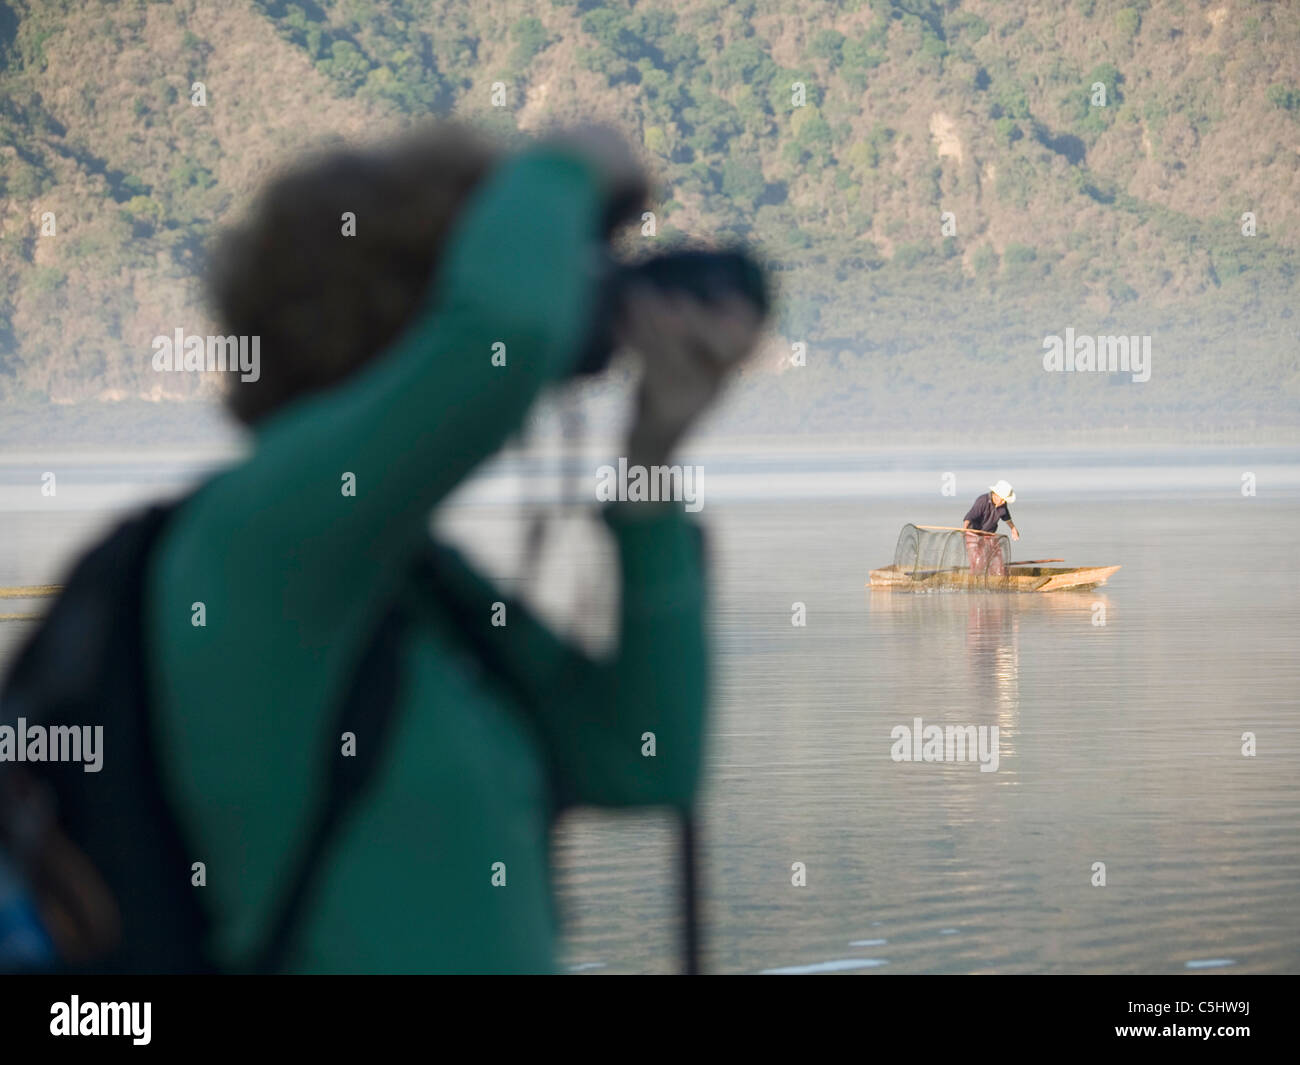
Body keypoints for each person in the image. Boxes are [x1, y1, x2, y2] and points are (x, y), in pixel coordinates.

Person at [143, 124, 763, 973]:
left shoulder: (420, 589)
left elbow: (643, 759)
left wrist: (650, 467)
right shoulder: (255, 539)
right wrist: (575, 159)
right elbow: (500, 334)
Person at [961, 480, 1019, 576]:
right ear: (995, 495)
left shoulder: (1002, 505)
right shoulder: (982, 501)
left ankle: (994, 578)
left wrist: (1013, 529)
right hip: (973, 533)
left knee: (996, 558)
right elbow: (969, 517)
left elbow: (1006, 517)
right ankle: (974, 579)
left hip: (989, 534)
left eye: (1005, 499)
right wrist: (965, 529)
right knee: (977, 561)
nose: (1004, 501)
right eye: (1003, 499)